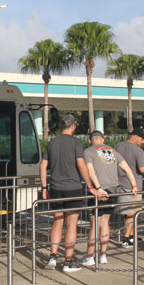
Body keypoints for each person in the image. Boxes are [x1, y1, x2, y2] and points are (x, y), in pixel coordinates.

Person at [39, 114, 107, 273]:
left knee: (57, 221)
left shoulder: (52, 143)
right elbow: (81, 165)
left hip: (55, 188)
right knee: (71, 224)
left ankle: (53, 256)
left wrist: (44, 188)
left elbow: (43, 166)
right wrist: (91, 187)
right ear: (73, 127)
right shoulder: (76, 143)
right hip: (73, 189)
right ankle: (68, 260)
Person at [81, 130, 138, 266]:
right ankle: (103, 254)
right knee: (105, 222)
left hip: (99, 190)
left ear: (90, 140)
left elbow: (90, 171)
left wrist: (98, 187)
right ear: (103, 139)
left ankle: (89, 256)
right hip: (114, 190)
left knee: (94, 223)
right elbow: (127, 168)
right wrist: (134, 185)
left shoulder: (88, 151)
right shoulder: (112, 151)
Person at [114, 128, 144, 248]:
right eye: (142, 139)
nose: (143, 142)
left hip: (119, 183)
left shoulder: (117, 146)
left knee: (127, 212)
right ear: (135, 136)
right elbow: (142, 169)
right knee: (133, 211)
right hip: (134, 185)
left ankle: (131, 235)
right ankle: (126, 238)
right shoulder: (138, 151)